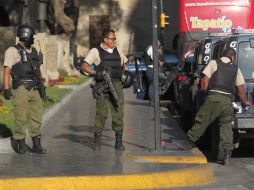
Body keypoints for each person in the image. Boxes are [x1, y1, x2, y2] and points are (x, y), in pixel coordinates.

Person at [186, 47, 251, 165]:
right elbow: (240, 89)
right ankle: (226, 154)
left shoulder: (214, 62)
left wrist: (207, 94)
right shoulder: (235, 68)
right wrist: (245, 101)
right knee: (226, 127)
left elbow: (205, 80)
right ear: (232, 56)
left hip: (214, 98)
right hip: (227, 101)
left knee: (202, 121)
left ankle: (187, 144)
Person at [3, 24, 47, 154]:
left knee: (36, 116)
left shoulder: (33, 51)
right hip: (20, 87)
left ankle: (36, 144)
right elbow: (7, 70)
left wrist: (41, 83)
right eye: (32, 36)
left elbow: (37, 69)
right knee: (21, 116)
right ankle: (20, 142)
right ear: (26, 36)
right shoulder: (12, 51)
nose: (33, 39)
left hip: (35, 87)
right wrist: (6, 88)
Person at [81, 29, 128, 150]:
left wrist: (124, 74)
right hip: (102, 85)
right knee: (101, 114)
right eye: (112, 39)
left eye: (115, 39)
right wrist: (96, 73)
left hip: (117, 85)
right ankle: (97, 140)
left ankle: (118, 141)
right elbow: (84, 66)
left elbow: (125, 64)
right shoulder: (95, 51)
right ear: (105, 40)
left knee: (118, 113)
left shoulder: (118, 51)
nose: (114, 41)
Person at [144, 40, 165, 105]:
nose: (159, 45)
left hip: (152, 69)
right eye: (159, 44)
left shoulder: (152, 48)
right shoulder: (151, 48)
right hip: (151, 69)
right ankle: (152, 100)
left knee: (154, 84)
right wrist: (159, 61)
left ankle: (154, 100)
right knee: (153, 84)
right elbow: (154, 58)